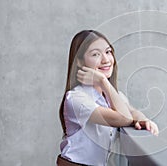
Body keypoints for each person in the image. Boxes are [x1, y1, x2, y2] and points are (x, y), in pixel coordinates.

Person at [57, 30, 159, 166]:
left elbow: (132, 112)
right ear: (80, 62)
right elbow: (125, 118)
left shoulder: (111, 95)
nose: (106, 60)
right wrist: (103, 81)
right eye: (95, 54)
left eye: (108, 52)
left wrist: (143, 120)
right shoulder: (76, 98)